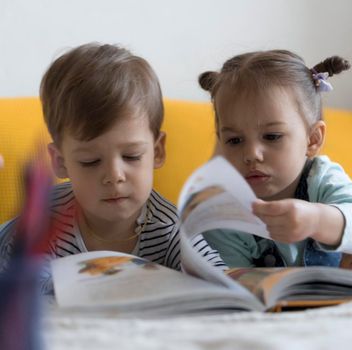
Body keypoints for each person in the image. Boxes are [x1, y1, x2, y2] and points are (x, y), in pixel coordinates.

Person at [0, 43, 225, 292]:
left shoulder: (169, 228)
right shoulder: (46, 220)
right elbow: (22, 292)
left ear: (157, 151)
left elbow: (219, 278)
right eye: (91, 161)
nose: (114, 176)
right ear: (61, 162)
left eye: (131, 156)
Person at [199, 50, 352, 273]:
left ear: (312, 140)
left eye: (272, 136)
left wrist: (316, 220)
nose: (251, 154)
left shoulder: (321, 178)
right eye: (235, 140)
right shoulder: (225, 211)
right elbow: (235, 285)